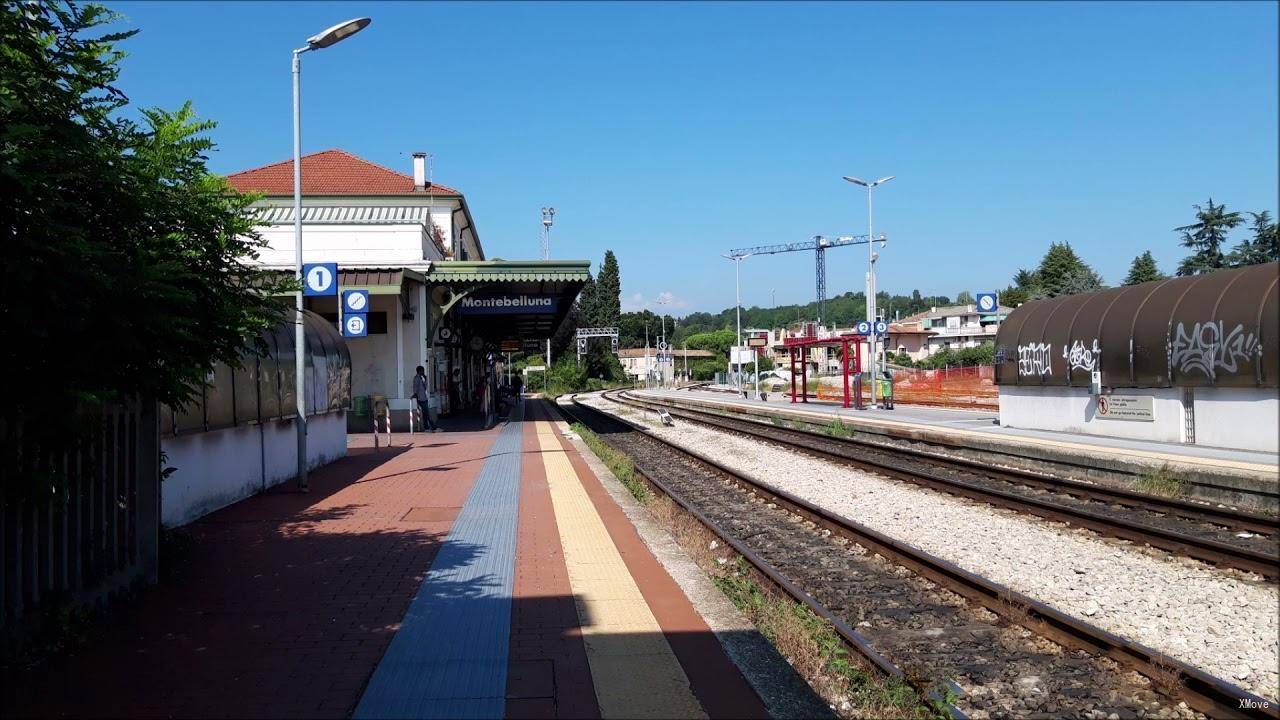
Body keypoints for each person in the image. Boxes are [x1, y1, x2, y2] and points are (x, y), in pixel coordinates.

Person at [412, 366, 441, 432]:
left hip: (424, 397)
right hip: (421, 398)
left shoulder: (421, 378)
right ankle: (433, 427)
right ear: (419, 371)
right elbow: (415, 388)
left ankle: (426, 427)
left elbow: (424, 387)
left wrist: (425, 379)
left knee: (425, 414)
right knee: (427, 414)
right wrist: (415, 395)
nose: (423, 372)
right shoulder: (416, 378)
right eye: (422, 371)